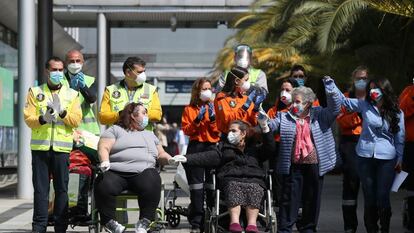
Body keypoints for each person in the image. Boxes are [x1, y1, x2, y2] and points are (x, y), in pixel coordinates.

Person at [169, 119, 275, 233]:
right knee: (233, 187)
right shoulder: (224, 149)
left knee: (255, 189)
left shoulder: (254, 149)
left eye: (234, 131)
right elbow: (206, 156)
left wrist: (265, 127)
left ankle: (252, 225)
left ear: (243, 133)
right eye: (229, 131)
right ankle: (234, 223)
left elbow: (270, 148)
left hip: (254, 179)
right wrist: (186, 158)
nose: (230, 134)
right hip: (231, 179)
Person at [267, 77, 341, 233]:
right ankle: (285, 229)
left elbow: (335, 108)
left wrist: (331, 89)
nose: (294, 105)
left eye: (297, 102)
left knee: (312, 200)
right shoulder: (285, 116)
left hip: (314, 165)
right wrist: (263, 122)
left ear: (308, 103)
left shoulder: (320, 114)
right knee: (289, 200)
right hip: (294, 165)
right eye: (293, 101)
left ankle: (308, 228)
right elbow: (272, 124)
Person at [24, 57, 82, 233]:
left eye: (60, 70)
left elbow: (76, 120)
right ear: (46, 71)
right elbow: (28, 119)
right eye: (54, 70)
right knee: (40, 191)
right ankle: (39, 227)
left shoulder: (72, 94)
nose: (57, 73)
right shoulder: (35, 92)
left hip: (61, 148)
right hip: (40, 148)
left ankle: (60, 226)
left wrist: (63, 112)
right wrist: (43, 118)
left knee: (61, 189)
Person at [94, 102, 172, 233]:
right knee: (103, 182)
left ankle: (145, 221)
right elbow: (104, 147)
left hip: (143, 172)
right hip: (117, 172)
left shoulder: (150, 134)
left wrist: (171, 159)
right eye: (143, 113)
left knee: (153, 178)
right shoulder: (115, 130)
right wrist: (105, 161)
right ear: (132, 116)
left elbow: (161, 154)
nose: (146, 116)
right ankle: (110, 223)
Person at [339, 77, 405, 233]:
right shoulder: (365, 105)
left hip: (387, 158)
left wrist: (400, 159)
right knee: (369, 195)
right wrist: (331, 86)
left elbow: (400, 138)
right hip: (365, 156)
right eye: (371, 88)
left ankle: (385, 228)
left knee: (382, 195)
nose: (373, 91)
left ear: (385, 90)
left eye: (377, 88)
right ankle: (371, 229)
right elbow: (345, 102)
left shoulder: (397, 112)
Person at [63, 49, 100, 218]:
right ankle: (72, 207)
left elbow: (92, 98)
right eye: (72, 61)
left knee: (88, 170)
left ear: (83, 62)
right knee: (71, 170)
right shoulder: (60, 80)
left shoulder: (90, 80)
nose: (75, 64)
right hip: (66, 133)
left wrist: (82, 87)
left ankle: (81, 206)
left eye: (78, 60)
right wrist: (70, 90)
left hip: (88, 135)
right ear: (65, 62)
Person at [181, 78, 220, 233]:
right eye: (204, 88)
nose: (208, 91)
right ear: (197, 91)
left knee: (212, 185)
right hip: (196, 147)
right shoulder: (189, 109)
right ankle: (196, 222)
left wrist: (211, 119)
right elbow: (187, 131)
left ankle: (212, 217)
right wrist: (197, 119)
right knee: (196, 188)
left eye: (210, 88)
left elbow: (218, 131)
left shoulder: (215, 107)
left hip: (211, 147)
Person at [336, 66, 368, 233]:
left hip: (371, 143)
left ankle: (372, 225)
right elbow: (341, 122)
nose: (361, 81)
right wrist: (359, 114)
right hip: (351, 144)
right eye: (358, 78)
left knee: (371, 185)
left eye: (364, 78)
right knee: (351, 183)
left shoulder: (374, 97)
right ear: (353, 81)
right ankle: (350, 226)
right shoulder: (346, 99)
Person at [99, 56, 162, 130]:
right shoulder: (111, 90)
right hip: (119, 137)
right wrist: (121, 114)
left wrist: (140, 114)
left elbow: (157, 115)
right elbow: (103, 117)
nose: (143, 75)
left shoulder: (151, 90)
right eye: (139, 72)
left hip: (143, 137)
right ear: (128, 72)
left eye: (144, 71)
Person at [266, 78, 296, 208]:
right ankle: (279, 205)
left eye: (288, 90)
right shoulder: (273, 111)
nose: (284, 93)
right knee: (278, 178)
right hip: (278, 148)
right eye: (282, 90)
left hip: (294, 148)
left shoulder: (300, 109)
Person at [214, 66, 264, 135]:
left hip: (245, 137)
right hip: (229, 137)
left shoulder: (245, 98)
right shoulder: (222, 98)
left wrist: (255, 109)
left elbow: (252, 122)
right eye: (246, 80)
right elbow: (228, 120)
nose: (248, 83)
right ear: (237, 81)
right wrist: (244, 108)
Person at [399, 77, 414, 232]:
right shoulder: (408, 92)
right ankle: (411, 217)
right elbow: (402, 111)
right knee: (412, 185)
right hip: (411, 145)